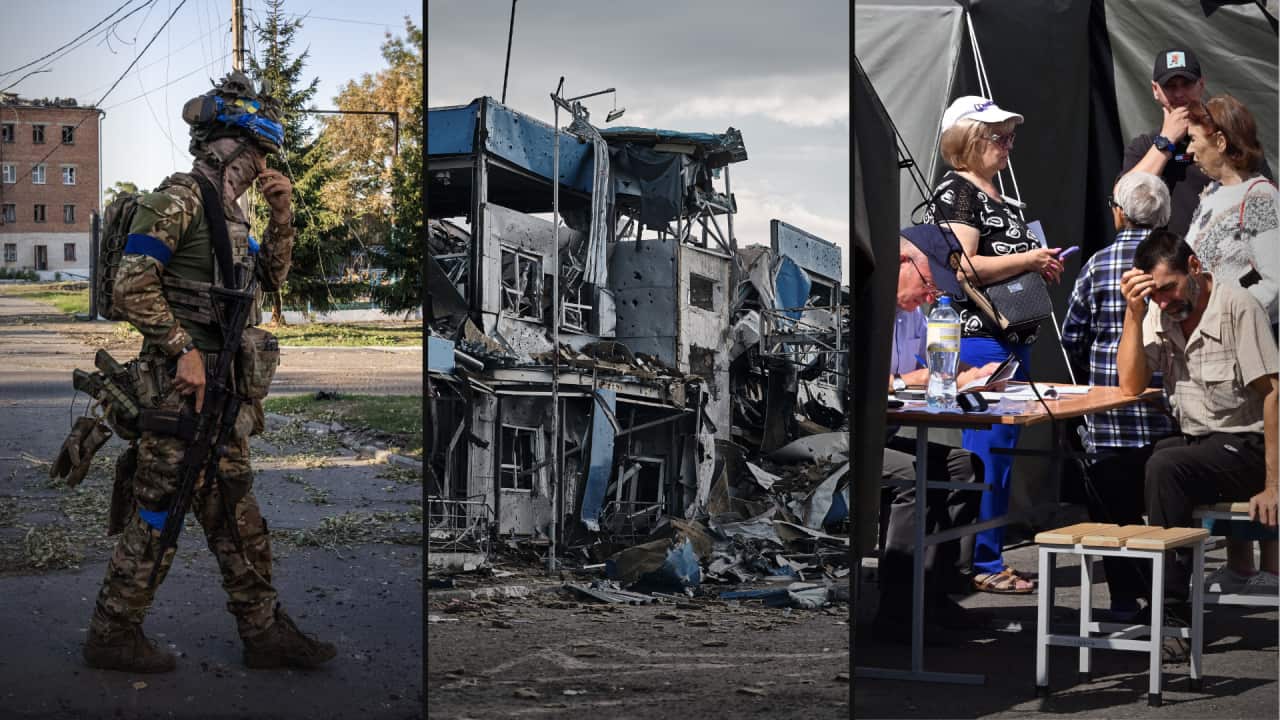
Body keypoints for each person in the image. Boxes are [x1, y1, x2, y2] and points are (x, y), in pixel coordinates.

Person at [83, 73, 336, 673]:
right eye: (258, 154)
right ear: (229, 146)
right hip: (179, 392)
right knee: (157, 514)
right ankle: (112, 633)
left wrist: (282, 217)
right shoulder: (180, 199)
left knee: (237, 518)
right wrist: (182, 350)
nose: (261, 166)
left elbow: (268, 282)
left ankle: (264, 632)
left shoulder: (235, 213)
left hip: (223, 396)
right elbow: (130, 285)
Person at [923, 96, 1066, 594]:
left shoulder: (999, 196)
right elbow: (961, 268)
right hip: (983, 340)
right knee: (987, 454)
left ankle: (989, 555)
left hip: (1010, 338)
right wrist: (1027, 262)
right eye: (996, 136)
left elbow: (998, 259)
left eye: (1009, 136)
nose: (1007, 146)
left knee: (1000, 454)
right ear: (967, 141)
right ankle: (982, 563)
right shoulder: (958, 193)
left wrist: (1036, 261)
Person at [1117, 230, 1279, 608]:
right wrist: (1134, 312)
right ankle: (1133, 596)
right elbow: (1130, 384)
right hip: (1197, 445)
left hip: (1246, 447)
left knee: (1167, 466)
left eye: (1168, 288)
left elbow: (1273, 394)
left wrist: (1273, 485)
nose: (1163, 300)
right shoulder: (1157, 309)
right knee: (1105, 474)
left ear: (1193, 266)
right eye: (1153, 292)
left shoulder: (1237, 306)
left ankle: (1171, 609)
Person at [1061, 172, 1177, 619]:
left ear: (1119, 214)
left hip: (1109, 418)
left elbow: (1073, 335)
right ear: (1164, 216)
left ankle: (1125, 599)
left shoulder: (1098, 264)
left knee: (1113, 513)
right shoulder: (1179, 260)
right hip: (1167, 417)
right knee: (1166, 510)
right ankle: (1169, 595)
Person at [874, 230, 996, 643]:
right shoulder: (866, 306)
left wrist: (971, 380)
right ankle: (896, 610)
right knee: (911, 474)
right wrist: (910, 379)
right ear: (901, 261)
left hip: (887, 433)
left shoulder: (917, 313)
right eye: (927, 284)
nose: (930, 297)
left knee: (966, 465)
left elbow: (939, 369)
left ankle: (937, 592)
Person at [1118, 47, 1273, 239]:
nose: (1180, 94)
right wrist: (1166, 141)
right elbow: (1124, 201)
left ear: (1201, 85)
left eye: (1186, 84)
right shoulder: (1143, 147)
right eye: (1170, 86)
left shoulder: (1229, 136)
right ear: (1155, 90)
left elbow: (1264, 197)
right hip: (1166, 263)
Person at [1183, 95, 1279, 325]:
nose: (1189, 149)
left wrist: (1222, 319)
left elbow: (1274, 284)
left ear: (1220, 142)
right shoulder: (1212, 194)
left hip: (1240, 341)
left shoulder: (1257, 198)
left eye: (1193, 139)